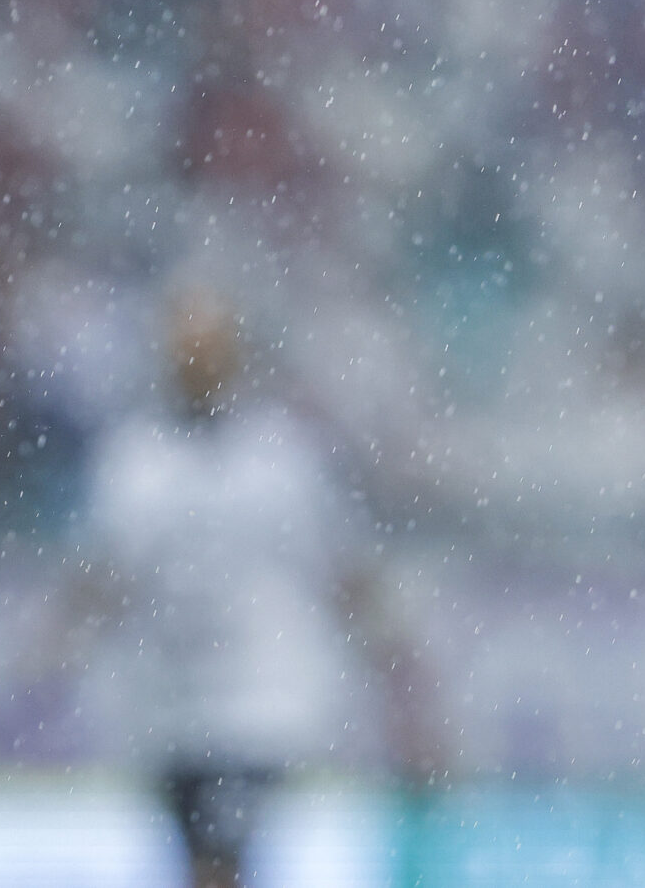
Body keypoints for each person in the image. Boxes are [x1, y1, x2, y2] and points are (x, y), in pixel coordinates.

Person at [84, 283, 431, 888]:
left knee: (218, 861)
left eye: (208, 349)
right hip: (168, 707)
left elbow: (347, 569)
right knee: (203, 860)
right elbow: (100, 577)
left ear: (235, 355)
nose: (195, 364)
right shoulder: (133, 461)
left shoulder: (283, 456)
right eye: (185, 350)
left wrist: (398, 671)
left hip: (259, 702)